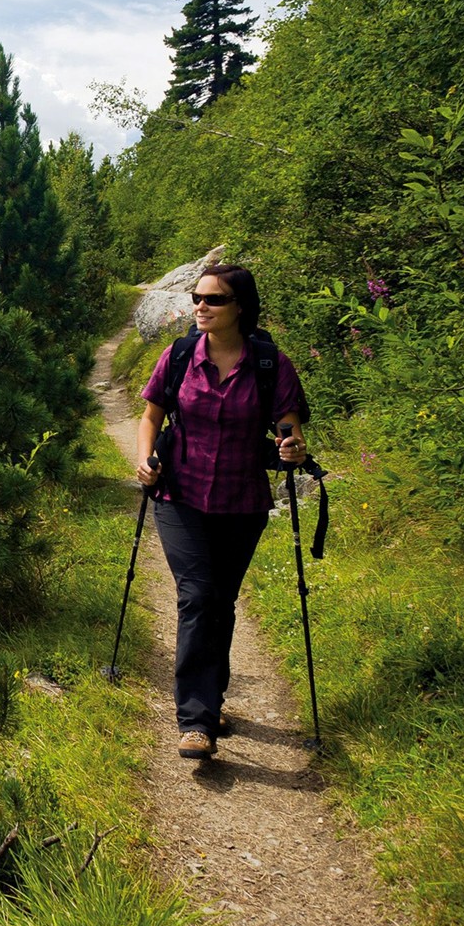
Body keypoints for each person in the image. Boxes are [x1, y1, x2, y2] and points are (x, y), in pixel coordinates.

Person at [135, 264, 307, 761]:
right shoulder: (180, 355)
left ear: (241, 308)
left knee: (222, 602)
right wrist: (145, 459)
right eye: (197, 297)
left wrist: (291, 446)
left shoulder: (271, 364)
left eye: (214, 299)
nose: (201, 306)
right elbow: (151, 416)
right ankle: (195, 720)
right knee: (197, 596)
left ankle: (210, 698)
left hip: (241, 500)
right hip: (180, 495)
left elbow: (288, 428)